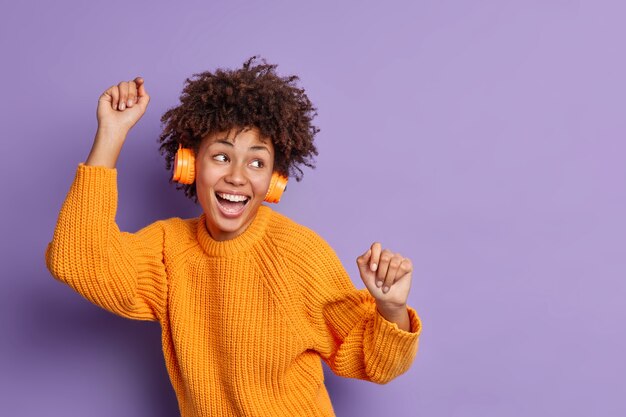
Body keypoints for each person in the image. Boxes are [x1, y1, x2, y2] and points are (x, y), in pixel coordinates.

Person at [45, 56, 422, 417]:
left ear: (275, 180)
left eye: (256, 162)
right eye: (222, 157)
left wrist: (391, 310)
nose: (238, 176)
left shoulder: (297, 255)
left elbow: (375, 363)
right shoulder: (168, 249)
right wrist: (111, 135)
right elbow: (78, 261)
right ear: (189, 165)